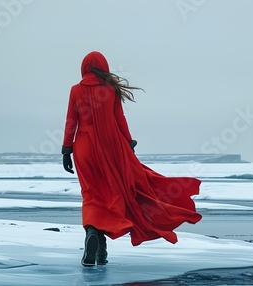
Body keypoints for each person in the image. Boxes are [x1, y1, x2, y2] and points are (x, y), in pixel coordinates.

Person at [61, 51, 202, 267]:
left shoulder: (76, 90)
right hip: (112, 146)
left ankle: (94, 235)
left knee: (91, 193)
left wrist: (66, 149)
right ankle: (100, 245)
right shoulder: (111, 89)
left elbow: (72, 120)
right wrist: (128, 143)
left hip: (84, 148)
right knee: (113, 193)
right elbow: (120, 119)